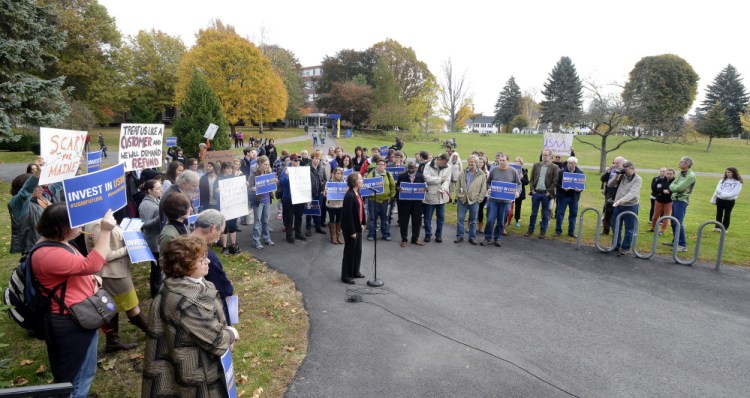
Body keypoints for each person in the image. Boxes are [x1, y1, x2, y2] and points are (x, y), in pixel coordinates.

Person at [32, 204, 116, 398]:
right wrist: (105, 231)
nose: (81, 226)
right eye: (76, 223)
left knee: (85, 369)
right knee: (76, 376)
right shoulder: (48, 254)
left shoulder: (58, 243)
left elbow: (75, 271)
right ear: (60, 228)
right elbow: (92, 264)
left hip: (78, 315)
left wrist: (91, 281)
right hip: (70, 321)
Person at [142, 235, 239, 397]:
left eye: (206, 256)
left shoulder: (187, 284)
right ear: (184, 267)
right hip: (197, 371)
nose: (208, 262)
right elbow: (216, 341)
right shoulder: (184, 300)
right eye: (202, 260)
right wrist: (231, 333)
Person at [83, 217, 149, 353]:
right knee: (131, 305)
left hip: (114, 271)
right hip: (112, 273)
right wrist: (128, 248)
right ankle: (151, 331)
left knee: (111, 306)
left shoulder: (103, 218)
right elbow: (103, 255)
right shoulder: (97, 223)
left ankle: (112, 341)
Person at [189, 210, 234, 322]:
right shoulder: (206, 257)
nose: (219, 237)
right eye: (220, 232)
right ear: (212, 228)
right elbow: (223, 290)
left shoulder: (183, 243)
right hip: (207, 310)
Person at [481, 153, 520, 247]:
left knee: (501, 221)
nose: (501, 162)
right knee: (490, 220)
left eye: (504, 160)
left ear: (508, 161)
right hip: (493, 200)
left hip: (506, 201)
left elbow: (518, 184)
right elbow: (488, 182)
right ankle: (487, 237)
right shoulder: (494, 170)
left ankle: (498, 238)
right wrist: (489, 188)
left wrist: (517, 192)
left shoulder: (513, 171)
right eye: (500, 160)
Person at [609, 160, 642, 256]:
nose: (625, 172)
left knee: (629, 228)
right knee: (615, 225)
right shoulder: (622, 176)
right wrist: (617, 176)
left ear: (632, 169)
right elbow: (610, 184)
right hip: (618, 205)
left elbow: (632, 193)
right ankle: (615, 245)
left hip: (630, 206)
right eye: (624, 170)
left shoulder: (638, 179)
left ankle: (625, 248)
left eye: (626, 170)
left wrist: (620, 200)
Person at [525, 149, 559, 239]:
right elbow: (531, 179)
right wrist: (532, 190)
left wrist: (549, 192)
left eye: (546, 155)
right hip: (536, 192)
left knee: (545, 213)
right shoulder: (536, 165)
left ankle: (543, 231)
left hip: (546, 194)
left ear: (550, 156)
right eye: (543, 155)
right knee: (533, 213)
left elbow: (555, 181)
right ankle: (530, 230)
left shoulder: (554, 167)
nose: (544, 157)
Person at [138, 179, 163, 297]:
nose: (160, 190)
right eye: (157, 188)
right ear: (149, 190)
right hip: (153, 241)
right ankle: (155, 293)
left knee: (159, 268)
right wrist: (160, 217)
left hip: (158, 239)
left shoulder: (157, 199)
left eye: (160, 187)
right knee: (156, 269)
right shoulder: (146, 204)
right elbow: (144, 224)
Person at [666, 157, 696, 253]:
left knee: (678, 222)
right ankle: (676, 241)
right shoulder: (681, 174)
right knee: (673, 221)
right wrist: (674, 187)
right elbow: (672, 185)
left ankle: (682, 245)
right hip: (675, 199)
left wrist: (675, 187)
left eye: (682, 162)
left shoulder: (690, 176)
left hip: (681, 201)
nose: (680, 162)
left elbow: (679, 187)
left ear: (687, 164)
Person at [455, 155, 487, 245]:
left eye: (472, 161)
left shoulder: (481, 175)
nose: (470, 163)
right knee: (460, 219)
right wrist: (458, 195)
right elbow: (457, 186)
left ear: (476, 163)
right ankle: (460, 236)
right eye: (469, 161)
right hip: (462, 200)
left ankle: (472, 238)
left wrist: (479, 200)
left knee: (473, 221)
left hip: (474, 201)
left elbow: (483, 189)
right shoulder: (463, 173)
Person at [341, 172, 366, 284]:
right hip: (351, 229)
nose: (362, 180)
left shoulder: (358, 193)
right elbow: (348, 215)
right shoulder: (349, 195)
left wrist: (363, 223)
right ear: (354, 182)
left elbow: (361, 210)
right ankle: (346, 275)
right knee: (350, 252)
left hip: (358, 226)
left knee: (358, 251)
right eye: (360, 179)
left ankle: (355, 271)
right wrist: (352, 231)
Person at [422, 153, 452, 243]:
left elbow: (447, 180)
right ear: (439, 160)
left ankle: (438, 235)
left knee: (441, 218)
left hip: (441, 196)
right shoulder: (428, 165)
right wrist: (440, 179)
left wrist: (443, 188)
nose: (445, 164)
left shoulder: (448, 167)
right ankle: (428, 234)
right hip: (430, 196)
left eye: (446, 163)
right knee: (428, 218)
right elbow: (427, 179)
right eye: (444, 162)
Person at [365, 157, 396, 241]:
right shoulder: (371, 174)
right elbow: (366, 185)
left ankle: (385, 234)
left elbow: (393, 186)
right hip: (373, 200)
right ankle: (371, 234)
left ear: (385, 166)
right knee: (372, 219)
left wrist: (391, 196)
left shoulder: (388, 174)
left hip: (385, 201)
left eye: (382, 165)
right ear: (376, 165)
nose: (381, 166)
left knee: (385, 219)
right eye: (379, 164)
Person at [9, 169, 40, 253]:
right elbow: (25, 192)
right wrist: (36, 175)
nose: (40, 188)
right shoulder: (18, 205)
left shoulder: (41, 200)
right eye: (37, 186)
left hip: (48, 245)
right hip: (33, 249)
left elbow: (55, 187)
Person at [248, 156, 276, 249]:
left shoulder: (269, 173)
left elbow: (272, 185)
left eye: (268, 164)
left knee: (266, 220)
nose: (267, 166)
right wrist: (252, 189)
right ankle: (256, 241)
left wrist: (275, 181)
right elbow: (248, 188)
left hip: (267, 200)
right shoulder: (253, 175)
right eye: (265, 164)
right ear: (259, 164)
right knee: (257, 221)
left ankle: (267, 238)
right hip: (258, 201)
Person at [279, 154, 307, 243]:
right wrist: (288, 176)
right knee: (289, 218)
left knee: (299, 217)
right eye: (295, 160)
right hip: (289, 197)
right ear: (291, 160)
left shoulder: (302, 169)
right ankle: (289, 235)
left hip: (300, 196)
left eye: (299, 160)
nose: (297, 162)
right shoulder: (286, 170)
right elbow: (282, 183)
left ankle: (298, 233)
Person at [158, 192, 192, 263]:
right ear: (180, 210)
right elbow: (164, 261)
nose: (191, 209)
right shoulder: (169, 235)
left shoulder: (183, 225)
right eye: (188, 207)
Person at [554, 156, 583, 238]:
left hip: (574, 197)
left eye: (573, 163)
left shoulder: (580, 173)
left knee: (573, 214)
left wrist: (579, 190)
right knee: (560, 214)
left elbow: (582, 185)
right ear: (567, 163)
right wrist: (563, 188)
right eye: (569, 163)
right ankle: (558, 230)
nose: (571, 165)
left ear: (575, 164)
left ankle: (571, 231)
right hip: (563, 196)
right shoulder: (561, 172)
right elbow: (557, 183)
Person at [217, 162, 241, 254]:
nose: (230, 170)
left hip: (233, 206)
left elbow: (239, 190)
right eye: (228, 168)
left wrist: (244, 184)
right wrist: (217, 191)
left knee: (233, 226)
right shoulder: (219, 179)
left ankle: (233, 245)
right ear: (223, 169)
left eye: (231, 168)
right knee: (225, 227)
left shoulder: (234, 179)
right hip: (224, 207)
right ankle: (224, 247)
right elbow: (216, 193)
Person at [600, 157, 625, 235]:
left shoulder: (624, 171)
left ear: (622, 164)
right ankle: (605, 230)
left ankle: (616, 230)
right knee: (608, 211)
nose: (615, 165)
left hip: (619, 194)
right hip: (609, 193)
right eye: (614, 163)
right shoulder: (612, 170)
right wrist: (609, 170)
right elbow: (603, 179)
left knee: (616, 212)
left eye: (617, 163)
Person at [713, 167, 743, 232]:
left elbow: (735, 192)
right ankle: (717, 227)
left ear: (734, 173)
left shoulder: (738, 182)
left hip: (730, 201)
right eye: (726, 172)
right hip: (720, 199)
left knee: (727, 214)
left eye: (729, 172)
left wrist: (726, 195)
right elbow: (718, 189)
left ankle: (724, 228)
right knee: (719, 213)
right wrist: (722, 194)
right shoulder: (722, 180)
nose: (727, 173)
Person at [306, 152, 328, 236]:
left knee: (318, 210)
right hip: (310, 193)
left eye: (318, 159)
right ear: (312, 158)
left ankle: (318, 227)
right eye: (315, 158)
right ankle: (308, 228)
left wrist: (323, 189)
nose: (317, 160)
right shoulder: (307, 168)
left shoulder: (322, 168)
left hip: (320, 193)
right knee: (309, 211)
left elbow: (325, 179)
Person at [650, 168, 674, 235]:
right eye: (668, 174)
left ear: (673, 174)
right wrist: (662, 191)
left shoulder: (675, 181)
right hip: (659, 200)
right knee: (655, 215)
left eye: (670, 174)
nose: (669, 175)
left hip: (669, 201)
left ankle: (662, 230)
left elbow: (675, 190)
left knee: (666, 216)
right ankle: (653, 228)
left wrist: (669, 192)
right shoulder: (660, 180)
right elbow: (655, 189)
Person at [325, 168, 346, 244]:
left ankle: (338, 236)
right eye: (337, 173)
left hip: (340, 204)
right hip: (331, 205)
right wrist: (326, 191)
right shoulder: (330, 182)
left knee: (339, 220)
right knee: (332, 220)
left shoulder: (344, 182)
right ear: (334, 174)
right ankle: (332, 237)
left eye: (340, 174)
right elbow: (325, 192)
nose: (338, 175)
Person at [513, 157, 529, 228]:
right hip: (511, 190)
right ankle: (506, 219)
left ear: (521, 163)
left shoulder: (523, 171)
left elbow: (526, 182)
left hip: (519, 192)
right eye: (515, 161)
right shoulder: (511, 169)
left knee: (518, 207)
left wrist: (522, 178)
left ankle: (517, 220)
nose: (516, 162)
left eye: (518, 161)